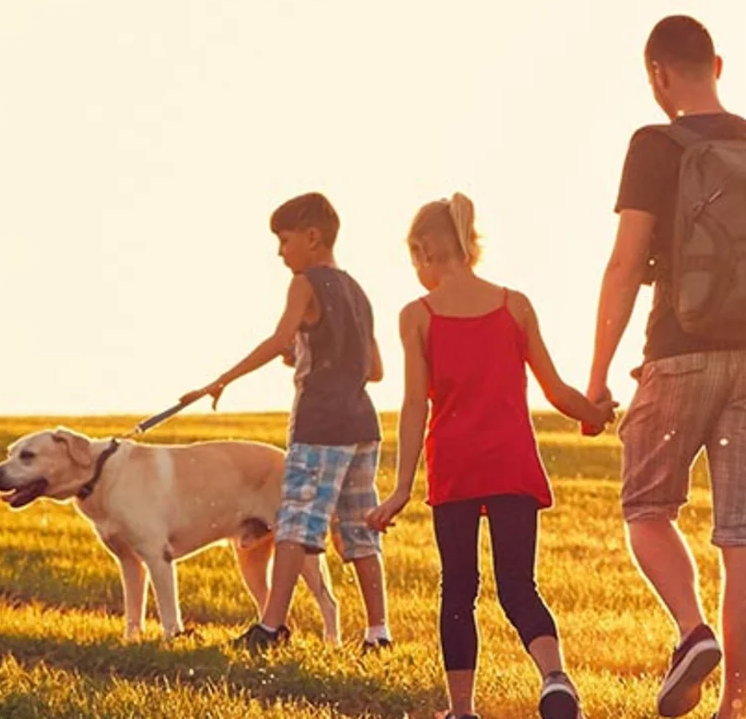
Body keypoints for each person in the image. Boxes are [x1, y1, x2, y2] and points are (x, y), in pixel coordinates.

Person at [584, 15, 746, 719]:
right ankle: (735, 706)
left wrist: (597, 373)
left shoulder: (653, 146)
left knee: (646, 509)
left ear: (658, 75)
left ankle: (692, 630)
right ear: (719, 66)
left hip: (678, 353)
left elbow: (622, 263)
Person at [366, 194, 615, 719]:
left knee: (458, 590)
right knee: (519, 586)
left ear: (424, 251)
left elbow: (414, 405)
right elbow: (555, 390)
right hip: (512, 466)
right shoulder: (514, 304)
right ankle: (555, 679)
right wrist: (593, 413)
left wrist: (401, 488)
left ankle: (461, 711)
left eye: (413, 258)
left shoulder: (418, 316)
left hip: (455, 468)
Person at [182, 192, 394, 649]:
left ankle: (271, 627)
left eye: (284, 240)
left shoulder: (305, 283)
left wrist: (223, 379)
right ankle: (379, 632)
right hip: (362, 427)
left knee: (296, 525)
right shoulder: (358, 290)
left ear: (312, 237)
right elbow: (374, 370)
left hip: (319, 427)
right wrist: (306, 352)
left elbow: (279, 336)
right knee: (359, 528)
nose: (280, 252)